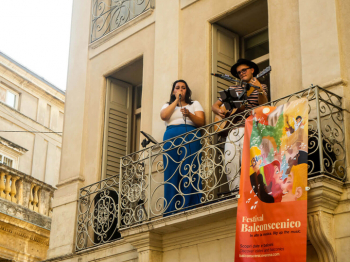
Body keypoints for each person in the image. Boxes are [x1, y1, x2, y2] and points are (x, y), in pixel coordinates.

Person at [212, 59, 268, 192]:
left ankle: (251, 194)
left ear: (252, 70)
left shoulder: (261, 85)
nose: (241, 73)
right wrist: (220, 111)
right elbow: (215, 106)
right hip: (233, 129)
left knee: (248, 163)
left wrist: (259, 89)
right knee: (230, 163)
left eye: (244, 70)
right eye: (239, 72)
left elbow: (264, 105)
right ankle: (234, 194)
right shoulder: (233, 89)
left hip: (250, 128)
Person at [160, 80, 205, 215]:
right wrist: (176, 102)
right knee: (171, 171)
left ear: (187, 91)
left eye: (183, 88)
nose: (180, 90)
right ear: (173, 91)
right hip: (171, 139)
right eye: (177, 88)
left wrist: (189, 114)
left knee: (190, 168)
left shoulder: (194, 104)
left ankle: (191, 205)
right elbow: (164, 116)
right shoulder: (168, 105)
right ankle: (171, 208)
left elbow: (201, 122)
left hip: (191, 136)